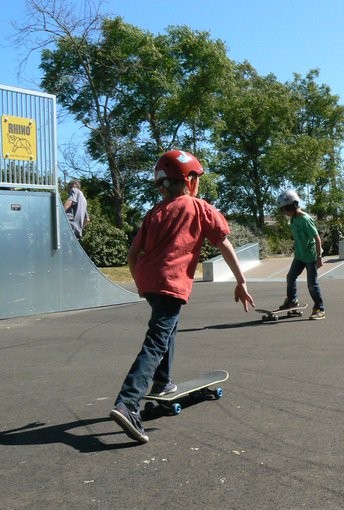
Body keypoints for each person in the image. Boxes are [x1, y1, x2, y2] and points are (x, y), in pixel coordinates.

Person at [110, 150, 254, 444]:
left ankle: (162, 383)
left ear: (163, 185)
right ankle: (128, 403)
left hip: (149, 282)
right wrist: (241, 280)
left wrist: (139, 282)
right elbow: (224, 245)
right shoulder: (199, 208)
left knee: (168, 331)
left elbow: (132, 254)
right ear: (189, 180)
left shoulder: (154, 212)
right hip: (171, 284)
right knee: (156, 342)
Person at [276, 189, 325, 320]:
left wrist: (319, 258)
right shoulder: (293, 219)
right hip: (299, 256)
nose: (283, 213)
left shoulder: (305, 219)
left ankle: (319, 308)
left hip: (311, 257)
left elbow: (317, 239)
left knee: (311, 284)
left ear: (291, 206)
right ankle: (292, 300)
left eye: (284, 210)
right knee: (290, 277)